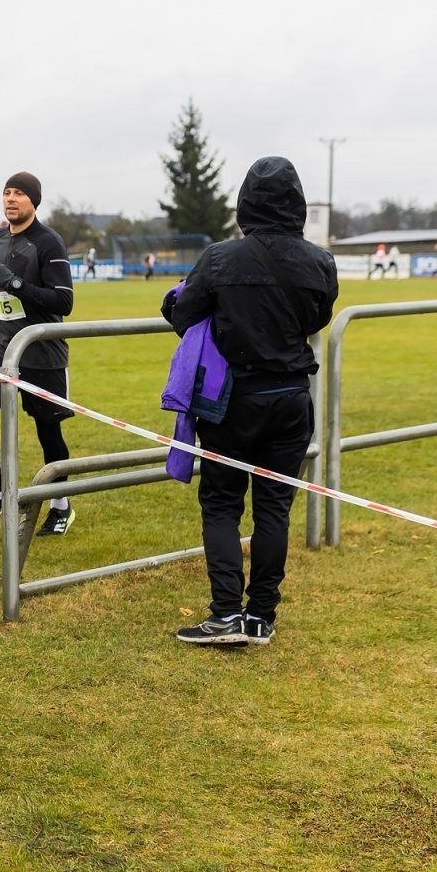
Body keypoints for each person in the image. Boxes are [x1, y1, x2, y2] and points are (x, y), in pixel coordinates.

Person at [163, 156, 338, 648]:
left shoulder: (221, 257)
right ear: (297, 204)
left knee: (221, 503)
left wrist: (178, 303)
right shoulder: (320, 261)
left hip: (234, 400)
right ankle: (260, 616)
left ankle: (225, 615)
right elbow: (317, 318)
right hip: (291, 399)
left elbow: (185, 313)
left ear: (246, 203)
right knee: (273, 509)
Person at [0, 171, 77, 537]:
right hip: (1, 345)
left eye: (19, 193)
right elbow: (1, 280)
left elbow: (64, 300)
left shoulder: (49, 243)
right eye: (6, 193)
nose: (11, 199)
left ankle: (61, 506)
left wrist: (13, 284)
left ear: (34, 201)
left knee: (48, 430)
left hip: (39, 348)